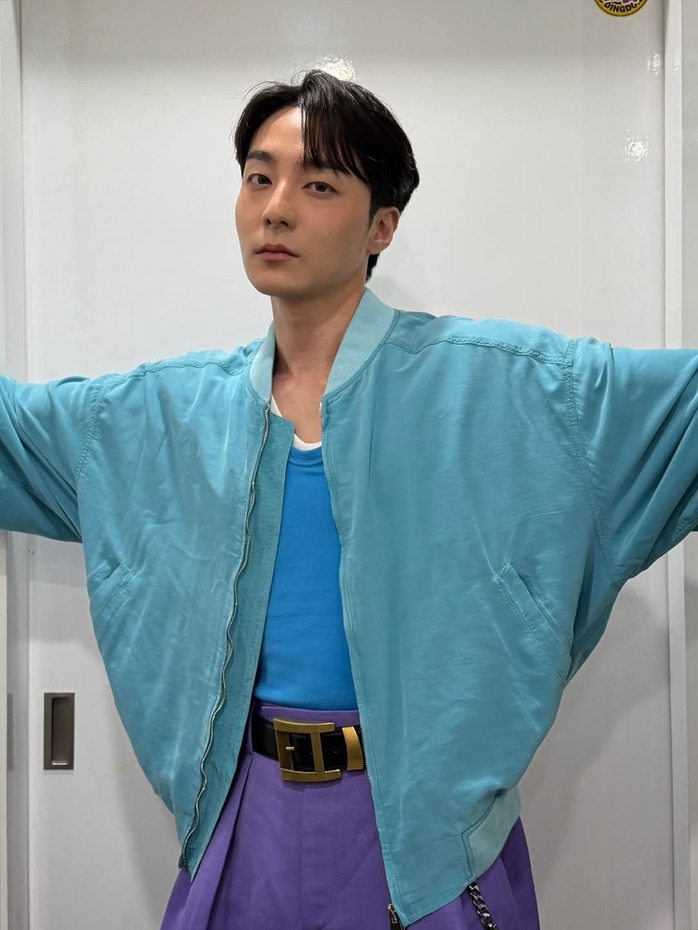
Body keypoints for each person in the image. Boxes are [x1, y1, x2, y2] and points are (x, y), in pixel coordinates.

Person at [0, 69, 696, 929]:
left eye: (318, 184)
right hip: (242, 817)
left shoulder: (512, 391)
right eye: (258, 177)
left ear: (382, 225)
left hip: (423, 842)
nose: (275, 208)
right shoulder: (162, 415)